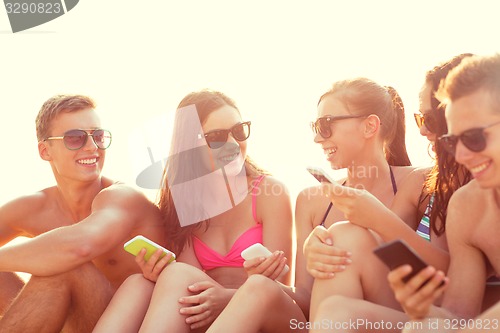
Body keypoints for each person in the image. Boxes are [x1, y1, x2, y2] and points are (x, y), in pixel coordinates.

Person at [199, 78, 416, 333]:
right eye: (315, 125)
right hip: (327, 324)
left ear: (370, 126)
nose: (316, 137)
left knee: (345, 237)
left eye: (326, 125)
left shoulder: (416, 182)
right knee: (260, 287)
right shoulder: (312, 200)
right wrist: (267, 281)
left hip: (389, 320)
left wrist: (375, 218)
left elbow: (442, 276)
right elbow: (305, 300)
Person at [94, 89, 299, 333]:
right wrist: (157, 273)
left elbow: (277, 286)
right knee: (138, 283)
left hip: (270, 310)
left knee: (178, 274)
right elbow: (186, 281)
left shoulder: (269, 192)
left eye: (239, 131)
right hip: (215, 313)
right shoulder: (187, 201)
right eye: (217, 137)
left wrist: (226, 297)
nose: (233, 145)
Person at [303, 54, 473, 332]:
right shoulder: (435, 182)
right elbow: (380, 254)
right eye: (420, 118)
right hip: (428, 312)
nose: (421, 129)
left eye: (429, 118)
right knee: (344, 238)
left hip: (449, 317)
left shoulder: (471, 193)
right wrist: (316, 245)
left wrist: (379, 218)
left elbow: (456, 290)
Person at [0, 95, 166, 332]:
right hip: (68, 324)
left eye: (98, 136)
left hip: (130, 324)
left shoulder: (123, 199)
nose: (92, 147)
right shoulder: (32, 208)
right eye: (75, 138)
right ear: (45, 150)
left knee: (68, 264)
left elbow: (79, 247)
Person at [389, 53, 500, 331]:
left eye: (474, 138)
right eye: (452, 141)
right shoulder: (466, 205)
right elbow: (457, 316)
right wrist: (422, 311)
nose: (461, 156)